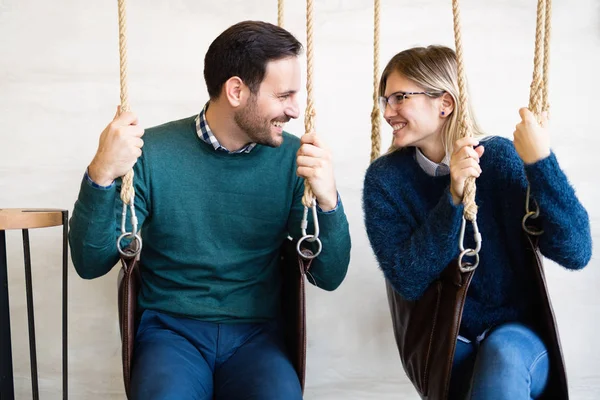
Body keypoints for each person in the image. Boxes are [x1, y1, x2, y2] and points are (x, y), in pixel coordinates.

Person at [69, 20, 351, 400]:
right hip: (170, 332)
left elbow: (329, 276)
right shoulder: (151, 152)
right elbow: (89, 263)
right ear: (236, 90)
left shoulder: (294, 159)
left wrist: (329, 200)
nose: (296, 110)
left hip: (257, 335)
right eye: (284, 95)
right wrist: (101, 172)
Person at [363, 45, 592, 399]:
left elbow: (576, 251)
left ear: (445, 103)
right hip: (447, 342)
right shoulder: (385, 179)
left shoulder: (498, 159)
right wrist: (453, 197)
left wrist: (541, 163)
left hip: (518, 339)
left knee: (503, 355)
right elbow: (407, 279)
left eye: (399, 98)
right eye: (385, 100)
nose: (387, 112)